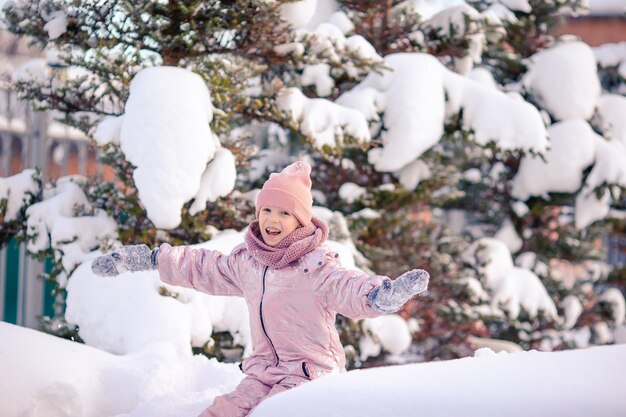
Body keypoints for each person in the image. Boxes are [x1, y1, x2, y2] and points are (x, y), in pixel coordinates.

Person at [91, 160, 429, 417]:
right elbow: (203, 266)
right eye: (266, 209)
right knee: (221, 412)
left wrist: (381, 295)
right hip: (263, 372)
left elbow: (348, 287)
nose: (272, 219)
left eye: (284, 212)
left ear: (301, 221)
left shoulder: (315, 267)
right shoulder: (249, 263)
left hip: (310, 375)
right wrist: (151, 258)